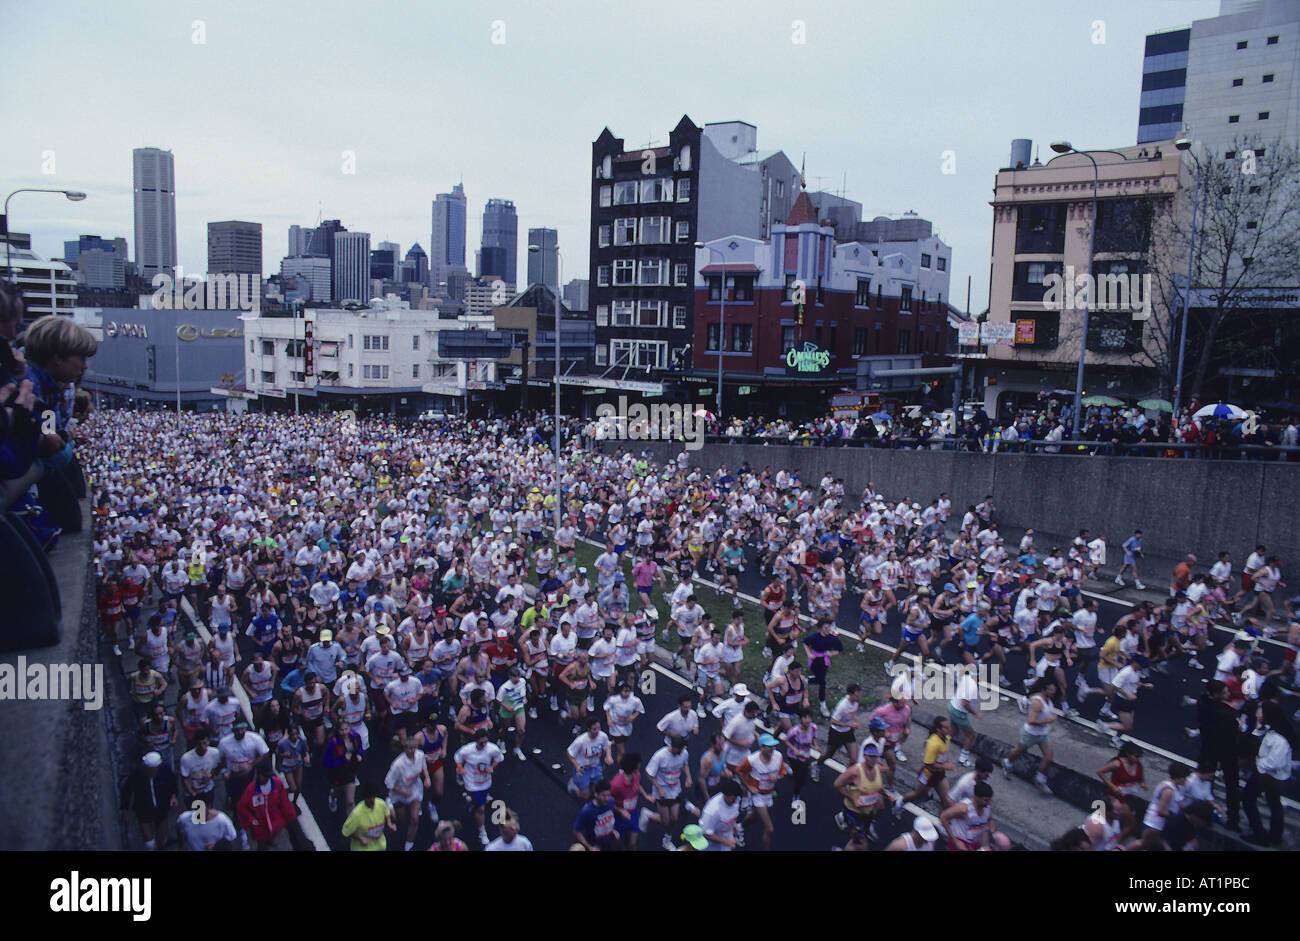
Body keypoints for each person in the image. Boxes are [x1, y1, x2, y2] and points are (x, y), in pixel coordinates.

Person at [1242, 702, 1295, 846]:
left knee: (1248, 800)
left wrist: (1259, 763)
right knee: (1274, 804)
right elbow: (1257, 736)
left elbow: (1275, 763)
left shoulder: (1280, 740)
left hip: (1267, 774)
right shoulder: (1270, 729)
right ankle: (1274, 836)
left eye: (1260, 710)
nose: (1257, 711)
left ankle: (1260, 834)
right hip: (1267, 773)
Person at [1001, 677, 1057, 795]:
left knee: (1049, 757)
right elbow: (1031, 720)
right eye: (1051, 690)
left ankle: (1040, 779)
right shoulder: (1037, 702)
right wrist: (1048, 720)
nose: (1054, 691)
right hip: (1031, 734)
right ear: (1044, 690)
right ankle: (1007, 763)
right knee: (1018, 752)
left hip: (1043, 734)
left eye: (1054, 689)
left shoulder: (1048, 699)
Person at [833, 743, 895, 850]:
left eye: (876, 757)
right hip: (854, 814)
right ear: (865, 756)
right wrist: (853, 799)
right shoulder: (854, 772)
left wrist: (886, 793)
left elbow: (876, 786)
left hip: (867, 813)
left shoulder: (878, 769)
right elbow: (837, 785)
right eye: (871, 757)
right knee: (862, 844)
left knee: (855, 841)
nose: (874, 759)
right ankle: (843, 817)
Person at [736, 733, 789, 851]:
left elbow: (783, 772)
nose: (772, 749)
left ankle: (739, 827)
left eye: (773, 746)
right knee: (769, 828)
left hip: (769, 793)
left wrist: (778, 777)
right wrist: (748, 787)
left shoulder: (778, 756)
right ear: (761, 747)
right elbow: (739, 771)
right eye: (769, 746)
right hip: (757, 795)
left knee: (755, 816)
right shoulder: (752, 760)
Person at [454, 727, 504, 846]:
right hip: (471, 782)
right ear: (476, 741)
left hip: (485, 782)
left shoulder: (492, 749)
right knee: (481, 808)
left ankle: (472, 802)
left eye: (486, 742)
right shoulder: (467, 750)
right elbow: (457, 758)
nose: (484, 745)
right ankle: (482, 832)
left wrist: (492, 767)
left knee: (480, 803)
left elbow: (499, 758)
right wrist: (460, 769)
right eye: (481, 742)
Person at [119, 752, 176, 851]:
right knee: (149, 841)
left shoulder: (165, 771)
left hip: (161, 807)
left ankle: (161, 844)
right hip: (143, 809)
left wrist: (174, 796)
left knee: (161, 838)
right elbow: (127, 791)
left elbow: (173, 783)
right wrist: (124, 809)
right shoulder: (136, 774)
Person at [236, 763, 297, 851]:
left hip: (275, 822)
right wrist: (251, 820)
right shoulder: (251, 790)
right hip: (260, 825)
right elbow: (242, 807)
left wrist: (289, 817)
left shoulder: (277, 783)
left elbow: (285, 802)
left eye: (269, 776)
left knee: (274, 843)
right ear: (259, 774)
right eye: (265, 776)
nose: (267, 778)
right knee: (261, 847)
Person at [385, 737, 431, 851]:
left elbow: (423, 765)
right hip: (400, 793)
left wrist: (427, 778)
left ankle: (409, 844)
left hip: (415, 789)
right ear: (405, 749)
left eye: (414, 748)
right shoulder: (397, 765)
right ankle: (389, 805)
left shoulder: (420, 755)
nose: (413, 751)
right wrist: (403, 792)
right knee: (400, 820)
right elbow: (388, 783)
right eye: (410, 749)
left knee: (414, 819)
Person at [341, 779, 395, 851]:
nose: (372, 800)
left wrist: (389, 823)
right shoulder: (357, 814)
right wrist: (360, 839)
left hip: (380, 847)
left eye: (373, 797)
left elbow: (386, 812)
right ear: (365, 797)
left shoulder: (381, 804)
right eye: (369, 798)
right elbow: (346, 832)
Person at [572, 778, 620, 851]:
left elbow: (608, 818)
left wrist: (612, 831)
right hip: (594, 845)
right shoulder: (586, 811)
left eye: (608, 795)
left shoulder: (611, 801)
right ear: (596, 794)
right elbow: (576, 831)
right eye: (603, 795)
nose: (607, 798)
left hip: (608, 842)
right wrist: (589, 847)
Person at [697, 777, 743, 851]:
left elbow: (733, 811)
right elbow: (706, 833)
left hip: (726, 836)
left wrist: (733, 824)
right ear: (725, 795)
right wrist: (726, 842)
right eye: (732, 798)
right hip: (711, 844)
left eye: (735, 798)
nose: (734, 801)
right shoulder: (712, 811)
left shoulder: (736, 799)